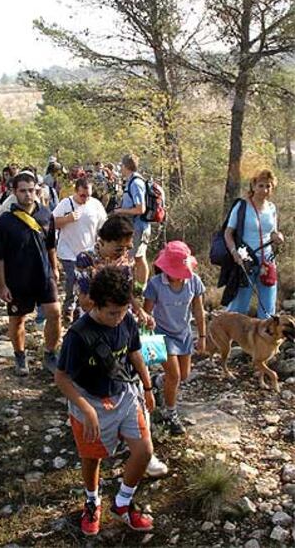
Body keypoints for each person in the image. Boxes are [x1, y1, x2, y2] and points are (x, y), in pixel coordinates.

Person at [56, 267, 155, 536]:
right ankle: (92, 500)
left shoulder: (126, 320)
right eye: (112, 312)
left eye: (123, 311)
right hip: (89, 401)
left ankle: (122, 504)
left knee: (144, 451)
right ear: (96, 305)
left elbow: (134, 352)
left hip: (124, 395)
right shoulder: (78, 335)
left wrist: (147, 387)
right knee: (92, 458)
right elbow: (61, 377)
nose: (118, 318)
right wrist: (86, 409)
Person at [75, 215, 167, 478]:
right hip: (92, 330)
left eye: (127, 248)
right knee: (97, 386)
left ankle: (142, 447)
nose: (124, 253)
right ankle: (99, 439)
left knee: (131, 383)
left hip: (121, 326)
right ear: (103, 241)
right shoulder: (86, 259)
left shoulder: (124, 260)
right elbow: (84, 301)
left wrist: (137, 311)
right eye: (119, 247)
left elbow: (126, 292)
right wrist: (109, 304)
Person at [0, 172, 61, 376]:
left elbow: (51, 245)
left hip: (43, 275)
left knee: (54, 313)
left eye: (31, 190)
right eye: (23, 191)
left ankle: (50, 353)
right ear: (14, 192)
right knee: (18, 319)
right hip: (17, 278)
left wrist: (54, 267)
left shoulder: (46, 214)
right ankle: (20, 357)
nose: (28, 195)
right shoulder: (5, 221)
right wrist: (2, 285)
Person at [143, 241, 206, 435]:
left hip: (183, 333)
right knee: (175, 375)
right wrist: (145, 340)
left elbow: (198, 309)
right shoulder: (155, 284)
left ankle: (158, 381)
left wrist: (202, 336)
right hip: (162, 333)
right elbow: (146, 313)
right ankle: (170, 413)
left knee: (183, 375)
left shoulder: (194, 281)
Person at [223, 169, 284, 318]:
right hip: (246, 262)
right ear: (253, 185)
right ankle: (226, 337)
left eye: (268, 186)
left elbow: (273, 232)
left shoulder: (272, 208)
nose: (264, 190)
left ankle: (266, 340)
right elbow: (228, 233)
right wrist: (234, 253)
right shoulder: (242, 206)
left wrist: (278, 237)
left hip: (267, 262)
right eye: (261, 185)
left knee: (268, 310)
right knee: (239, 308)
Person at [53, 177, 107, 323]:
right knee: (73, 278)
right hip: (68, 251)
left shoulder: (95, 205)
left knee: (87, 282)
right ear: (76, 191)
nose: (85, 198)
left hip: (89, 252)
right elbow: (52, 223)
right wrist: (67, 219)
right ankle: (69, 308)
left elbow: (103, 226)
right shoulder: (66, 204)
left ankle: (81, 309)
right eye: (82, 195)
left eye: (88, 195)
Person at [114, 154, 151, 288]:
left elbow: (140, 208)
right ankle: (138, 289)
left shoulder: (136, 183)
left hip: (138, 227)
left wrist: (121, 211)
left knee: (130, 258)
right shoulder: (132, 181)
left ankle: (135, 290)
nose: (120, 169)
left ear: (125, 166)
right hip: (135, 226)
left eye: (121, 166)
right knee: (138, 258)